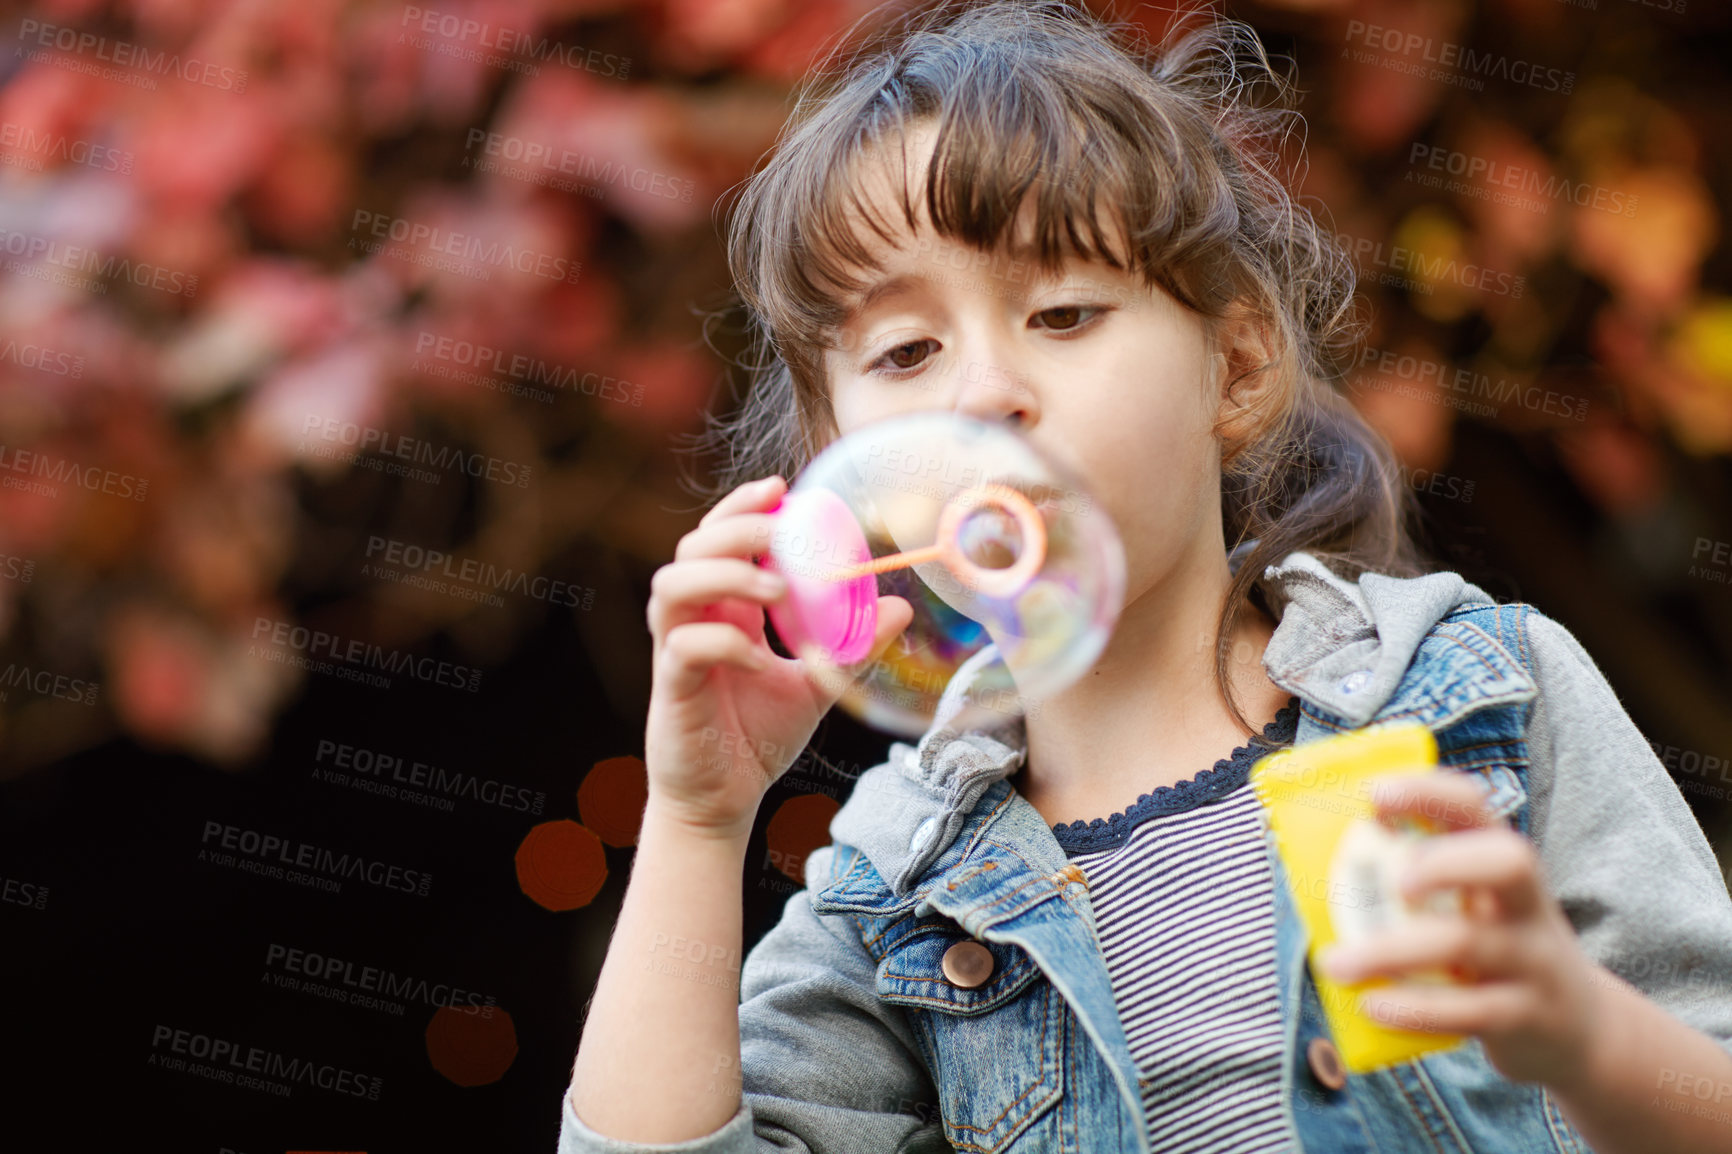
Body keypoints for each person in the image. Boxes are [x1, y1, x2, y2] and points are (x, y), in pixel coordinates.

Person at [559, 2, 1732, 1150]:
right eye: (907, 351)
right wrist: (698, 820)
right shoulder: (894, 895)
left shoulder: (1479, 691)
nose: (983, 394)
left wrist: (1575, 1032)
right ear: (843, 474)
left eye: (1062, 311)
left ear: (1234, 367)